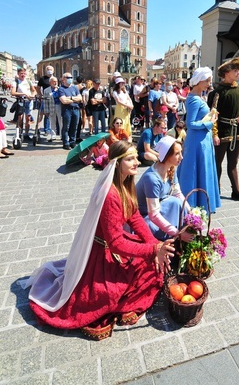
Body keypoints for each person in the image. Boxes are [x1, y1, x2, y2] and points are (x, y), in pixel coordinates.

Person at [19, 141, 175, 340]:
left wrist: (156, 244)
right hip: (103, 253)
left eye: (136, 157)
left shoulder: (127, 183)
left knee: (151, 268)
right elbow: (116, 243)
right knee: (109, 293)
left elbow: (134, 218)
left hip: (117, 245)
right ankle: (120, 304)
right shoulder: (110, 195)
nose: (137, 162)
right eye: (130, 159)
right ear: (117, 164)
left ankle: (126, 300)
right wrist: (153, 250)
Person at [211, 57, 239, 203]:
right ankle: (215, 192)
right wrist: (214, 134)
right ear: (226, 72)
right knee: (216, 163)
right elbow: (212, 115)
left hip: (237, 131)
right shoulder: (217, 93)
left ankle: (236, 192)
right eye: (235, 70)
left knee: (233, 164)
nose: (238, 73)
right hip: (222, 132)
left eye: (238, 70)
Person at [178, 67, 221, 213]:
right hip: (198, 141)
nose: (209, 83)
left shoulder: (198, 97)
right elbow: (190, 124)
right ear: (198, 81)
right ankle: (194, 203)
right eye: (207, 80)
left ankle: (201, 202)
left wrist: (210, 116)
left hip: (202, 139)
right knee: (197, 170)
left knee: (202, 170)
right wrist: (210, 122)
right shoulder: (194, 99)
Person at [136, 136, 194, 242]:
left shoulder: (171, 168)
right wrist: (177, 233)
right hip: (145, 217)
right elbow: (153, 215)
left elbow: (177, 193)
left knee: (178, 203)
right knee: (174, 203)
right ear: (166, 155)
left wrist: (192, 213)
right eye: (177, 154)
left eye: (181, 152)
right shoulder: (152, 179)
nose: (181, 157)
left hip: (160, 208)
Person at [58, 73, 82, 150]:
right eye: (68, 77)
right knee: (66, 127)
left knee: (74, 127)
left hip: (75, 109)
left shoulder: (75, 88)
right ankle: (65, 143)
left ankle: (72, 142)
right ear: (64, 79)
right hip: (66, 110)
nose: (70, 79)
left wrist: (70, 98)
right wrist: (74, 99)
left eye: (71, 77)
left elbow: (80, 98)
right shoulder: (61, 89)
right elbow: (64, 101)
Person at [11, 68, 36, 137]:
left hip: (29, 101)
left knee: (28, 118)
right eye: (21, 73)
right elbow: (13, 92)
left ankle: (26, 134)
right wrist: (24, 94)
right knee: (20, 118)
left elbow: (34, 90)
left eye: (24, 73)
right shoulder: (15, 82)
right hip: (21, 101)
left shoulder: (28, 81)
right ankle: (19, 133)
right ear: (18, 74)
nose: (23, 75)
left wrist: (32, 95)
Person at [36, 65, 55, 135]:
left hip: (53, 98)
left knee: (51, 114)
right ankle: (43, 129)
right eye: (48, 69)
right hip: (45, 98)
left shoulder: (55, 79)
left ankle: (50, 129)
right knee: (43, 113)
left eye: (50, 69)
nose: (49, 70)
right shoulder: (43, 79)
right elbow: (38, 88)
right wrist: (40, 95)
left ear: (53, 71)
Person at [43, 76, 62, 142]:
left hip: (59, 106)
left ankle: (62, 135)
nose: (55, 83)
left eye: (56, 81)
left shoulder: (60, 89)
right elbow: (45, 101)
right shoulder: (46, 90)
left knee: (61, 121)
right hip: (51, 106)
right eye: (54, 81)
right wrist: (46, 110)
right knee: (52, 121)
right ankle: (53, 135)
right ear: (50, 82)